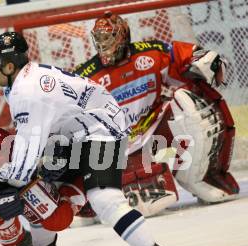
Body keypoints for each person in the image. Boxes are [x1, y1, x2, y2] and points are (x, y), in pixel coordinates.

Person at [0, 31, 185, 246]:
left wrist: (8, 184)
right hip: (75, 136)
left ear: (9, 65)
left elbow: (28, 143)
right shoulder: (19, 83)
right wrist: (19, 180)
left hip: (103, 132)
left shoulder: (28, 90)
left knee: (103, 198)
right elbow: (37, 134)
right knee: (37, 191)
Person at [73, 12, 239, 217]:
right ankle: (86, 202)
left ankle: (199, 178)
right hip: (118, 147)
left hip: (152, 129)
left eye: (108, 37)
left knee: (186, 101)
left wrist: (202, 58)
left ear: (122, 35)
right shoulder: (85, 77)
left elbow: (181, 56)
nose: (103, 44)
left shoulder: (151, 54)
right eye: (99, 38)